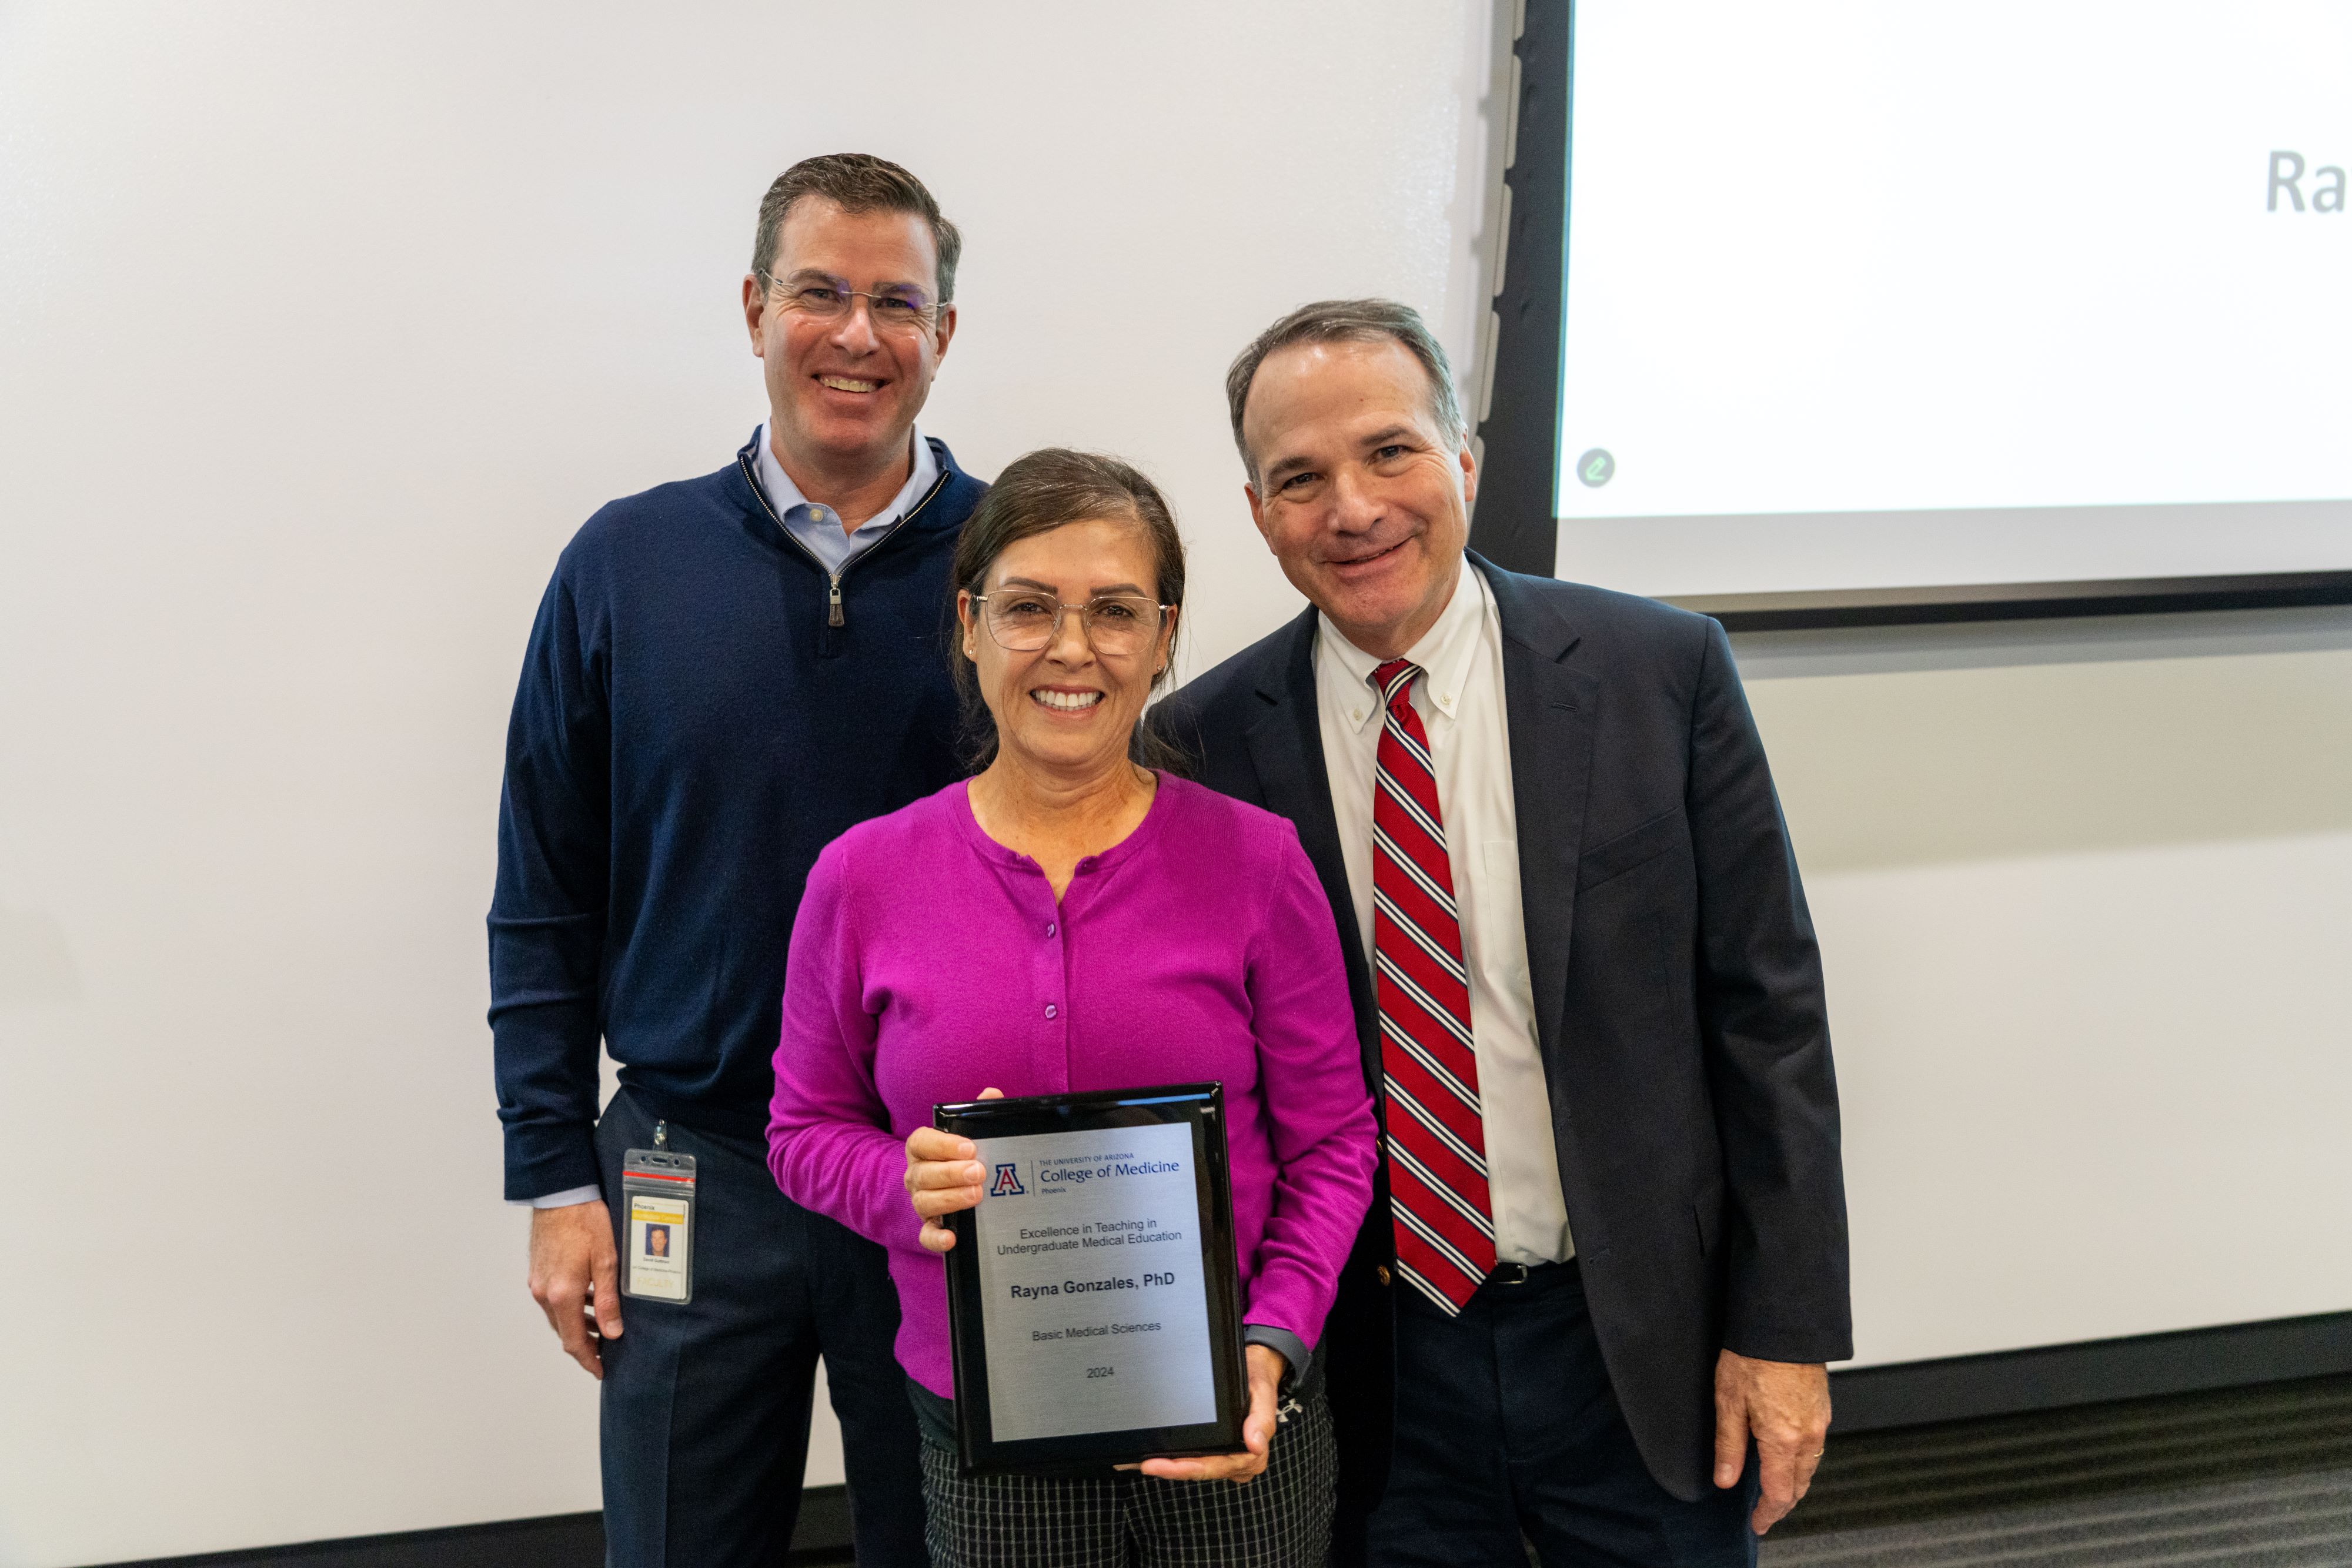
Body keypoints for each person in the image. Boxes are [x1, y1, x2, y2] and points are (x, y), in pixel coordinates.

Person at [1153, 300, 1852, 1567]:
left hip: (1637, 1336)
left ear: (1462, 458)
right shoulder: (1204, 747)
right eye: (1298, 478)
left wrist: (1784, 1326)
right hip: (1374, 1363)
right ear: (1257, 514)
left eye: (1388, 452)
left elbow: (1766, 1014)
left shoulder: (1659, 670)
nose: (1352, 508)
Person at [487, 153, 984, 1568]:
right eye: (819, 292)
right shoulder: (625, 564)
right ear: (756, 307)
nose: (856, 334)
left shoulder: (1016, 570)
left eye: (897, 301)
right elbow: (545, 892)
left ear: (942, 334)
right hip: (691, 1170)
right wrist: (551, 1176)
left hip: (936, 1176)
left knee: (954, 1543)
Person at [767, 449, 1378, 1568]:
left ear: (1162, 635)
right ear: (968, 623)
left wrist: (1276, 1335)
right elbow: (801, 1136)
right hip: (987, 1425)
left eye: (1113, 611)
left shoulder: (1257, 863)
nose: (1071, 648)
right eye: (1030, 608)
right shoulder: (863, 879)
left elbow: (1334, 1143)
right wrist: (900, 1186)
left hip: (1232, 1411)